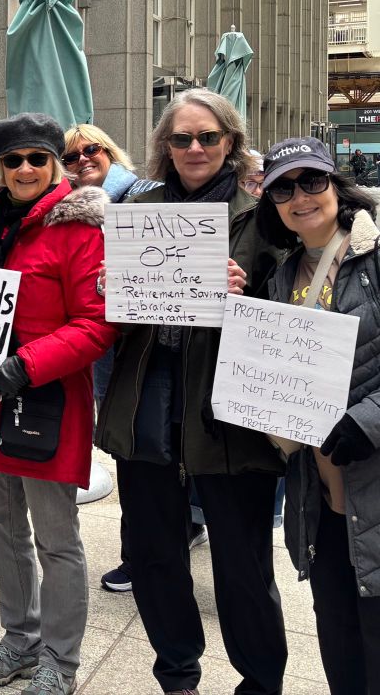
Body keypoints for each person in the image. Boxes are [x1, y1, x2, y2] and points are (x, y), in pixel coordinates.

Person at [95, 88, 287, 695]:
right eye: (182, 138)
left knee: (243, 563)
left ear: (231, 141)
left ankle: (259, 682)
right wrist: (109, 284)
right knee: (154, 554)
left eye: (208, 136)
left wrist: (248, 294)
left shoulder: (264, 212)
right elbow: (117, 317)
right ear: (164, 147)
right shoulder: (141, 205)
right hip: (147, 405)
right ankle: (176, 673)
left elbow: (301, 305)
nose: (195, 148)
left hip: (229, 412)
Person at [0, 113, 116, 695]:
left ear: (55, 164)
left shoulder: (81, 228)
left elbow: (97, 325)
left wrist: (30, 363)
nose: (24, 169)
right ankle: (19, 638)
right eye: (13, 160)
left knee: (57, 539)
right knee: (1, 527)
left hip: (44, 402)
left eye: (36, 159)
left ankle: (61, 662)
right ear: (0, 167)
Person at [256, 138, 380, 694]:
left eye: (312, 181)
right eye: (284, 187)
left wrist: (367, 421)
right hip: (321, 498)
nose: (300, 196)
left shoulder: (376, 257)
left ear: (337, 185)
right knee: (340, 641)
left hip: (373, 487)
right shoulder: (282, 277)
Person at [61, 124, 170, 595]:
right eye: (71, 156)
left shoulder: (145, 196)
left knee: (147, 452)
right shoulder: (65, 212)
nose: (83, 160)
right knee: (132, 450)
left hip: (152, 347)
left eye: (92, 150)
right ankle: (159, 541)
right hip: (104, 350)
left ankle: (145, 554)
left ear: (110, 151)